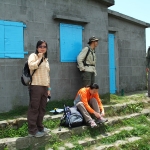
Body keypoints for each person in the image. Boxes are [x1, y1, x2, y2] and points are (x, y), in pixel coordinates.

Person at [27, 40, 51, 137]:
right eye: (40, 46)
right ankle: (32, 130)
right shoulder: (34, 56)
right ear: (37, 48)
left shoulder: (46, 59)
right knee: (34, 108)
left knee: (42, 108)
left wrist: (49, 89)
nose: (42, 48)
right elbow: (31, 66)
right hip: (36, 85)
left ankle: (40, 127)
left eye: (44, 46)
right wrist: (39, 58)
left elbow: (47, 76)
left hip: (45, 87)